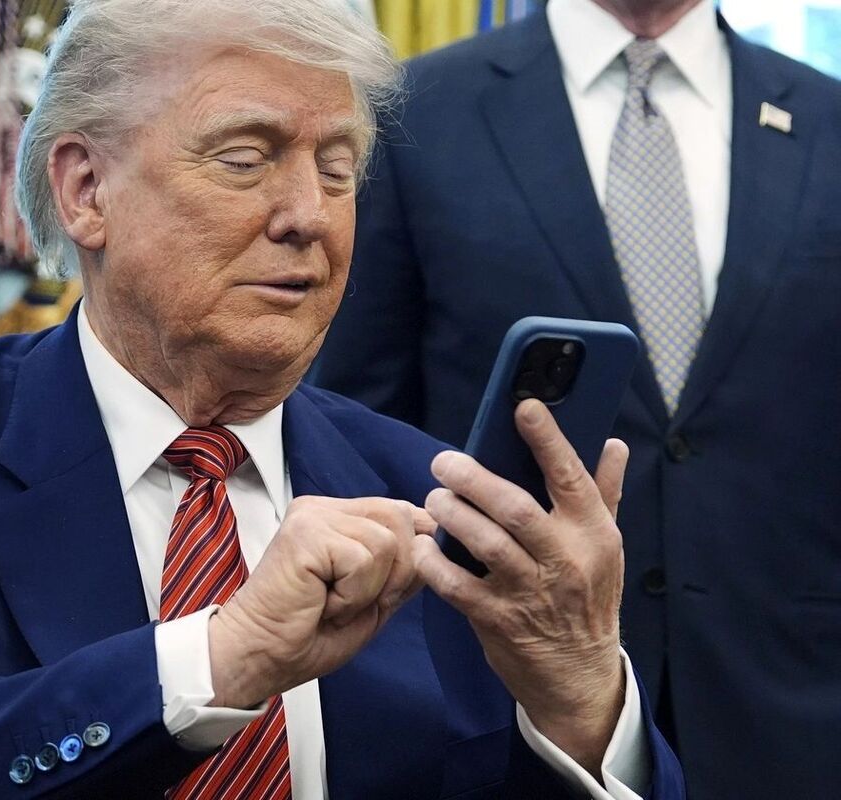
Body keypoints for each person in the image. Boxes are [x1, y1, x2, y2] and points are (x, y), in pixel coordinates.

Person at [0, 1, 685, 798]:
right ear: (85, 189)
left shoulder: (433, 502)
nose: (308, 216)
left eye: (338, 170)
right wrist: (217, 661)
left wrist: (581, 704)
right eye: (245, 159)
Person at [310, 0, 841, 797]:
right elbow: (359, 423)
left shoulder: (828, 120)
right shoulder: (416, 112)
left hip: (795, 705)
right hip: (498, 704)